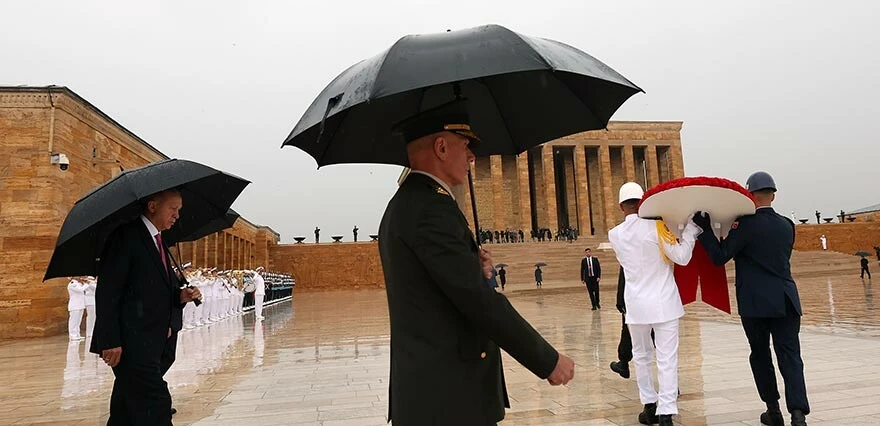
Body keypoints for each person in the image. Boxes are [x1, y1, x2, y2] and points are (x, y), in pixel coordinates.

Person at [378, 100, 574, 425]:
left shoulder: (410, 204)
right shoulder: (431, 210)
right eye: (466, 145)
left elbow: (441, 291)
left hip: (435, 396)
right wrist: (547, 360)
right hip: (449, 400)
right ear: (441, 147)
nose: (472, 156)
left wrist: (473, 269)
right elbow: (479, 304)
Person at [694, 171, 809, 426]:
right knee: (790, 356)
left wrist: (704, 230)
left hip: (754, 302)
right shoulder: (786, 225)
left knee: (760, 355)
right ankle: (798, 413)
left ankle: (773, 410)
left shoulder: (744, 225)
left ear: (749, 195)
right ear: (774, 195)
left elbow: (720, 256)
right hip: (786, 299)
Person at [90, 188, 201, 425]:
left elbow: (151, 289)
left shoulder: (158, 241)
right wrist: (109, 339)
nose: (177, 216)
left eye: (179, 210)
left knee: (125, 409)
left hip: (151, 339)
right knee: (157, 403)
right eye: (173, 209)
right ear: (152, 206)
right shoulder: (127, 237)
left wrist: (181, 296)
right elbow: (109, 291)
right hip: (131, 341)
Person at [609, 182, 700, 426]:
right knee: (666, 358)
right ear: (644, 202)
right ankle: (666, 411)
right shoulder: (657, 228)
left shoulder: (614, 234)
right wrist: (690, 231)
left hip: (636, 305)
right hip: (663, 303)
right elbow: (681, 258)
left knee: (641, 356)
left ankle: (649, 406)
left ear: (621, 206)